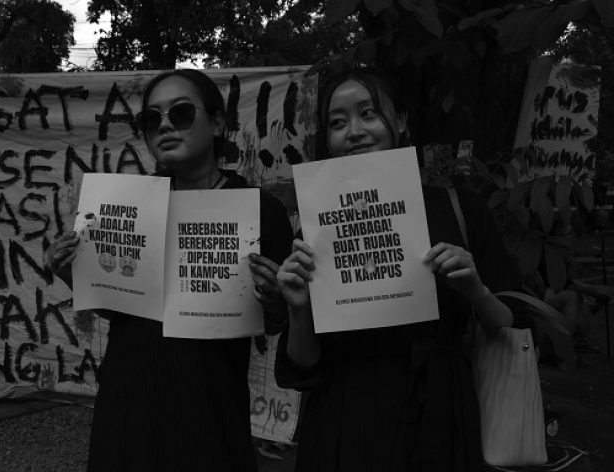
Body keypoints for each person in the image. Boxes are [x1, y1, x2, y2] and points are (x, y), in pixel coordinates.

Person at [44, 69, 294, 472]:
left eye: (180, 113)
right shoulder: (128, 204)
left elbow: (273, 322)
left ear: (217, 123)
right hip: (129, 399)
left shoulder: (261, 211)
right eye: (150, 119)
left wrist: (277, 301)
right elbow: (121, 309)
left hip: (209, 405)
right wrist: (77, 277)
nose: (163, 125)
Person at [274, 66, 521, 471]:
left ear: (401, 121)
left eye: (368, 114)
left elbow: (513, 324)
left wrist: (476, 290)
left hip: (440, 415)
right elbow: (303, 362)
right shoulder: (313, 225)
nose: (353, 131)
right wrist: (298, 308)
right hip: (345, 419)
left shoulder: (458, 208)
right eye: (337, 123)